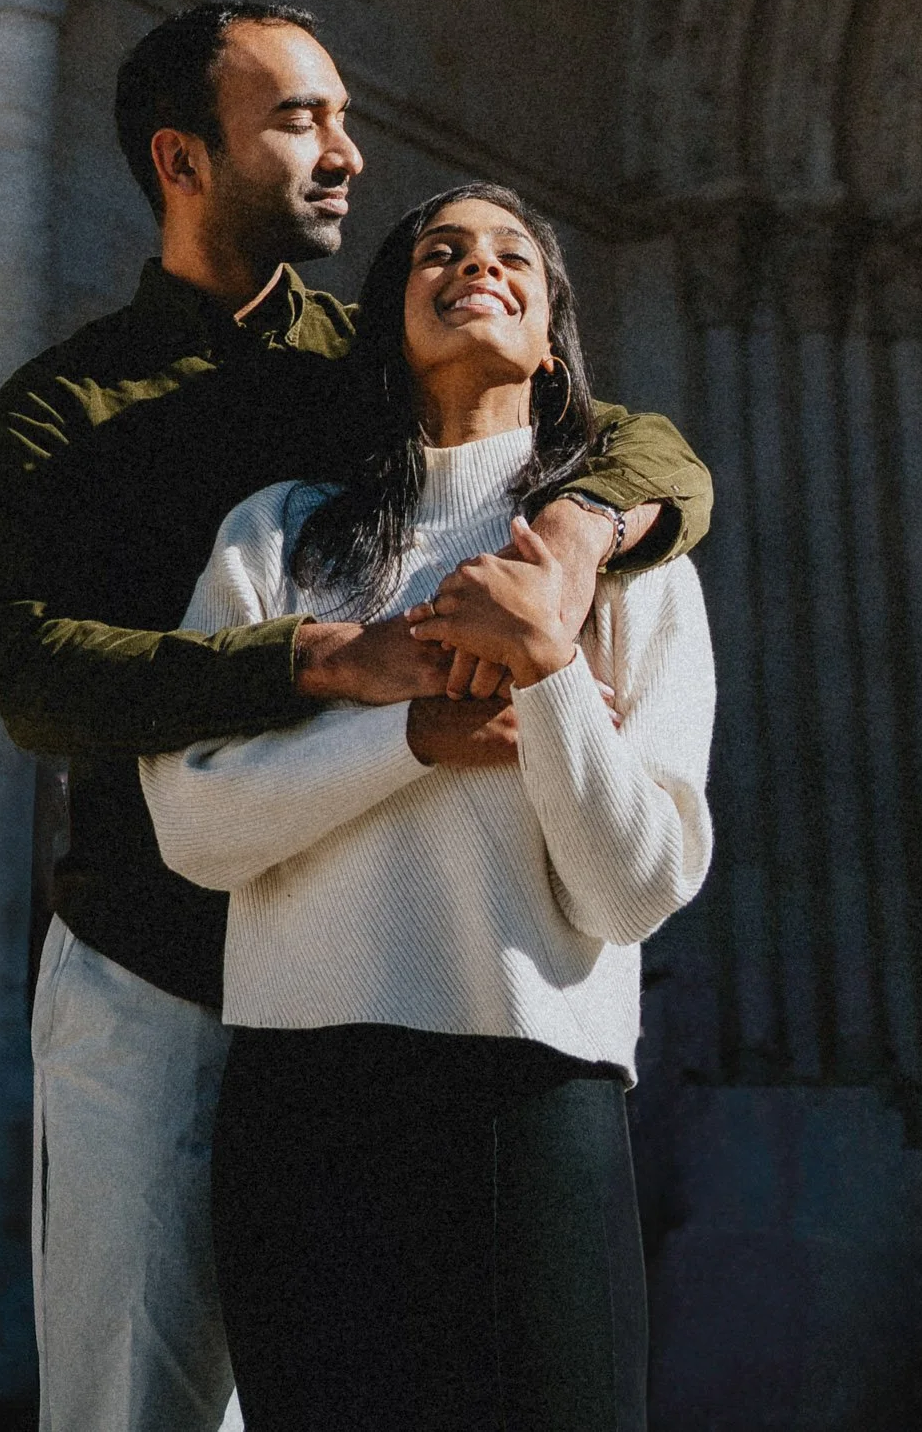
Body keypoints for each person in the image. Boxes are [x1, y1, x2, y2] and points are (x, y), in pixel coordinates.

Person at [0, 2, 713, 1432]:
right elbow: (38, 675)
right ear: (184, 158)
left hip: (363, 982)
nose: (347, 155)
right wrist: (321, 658)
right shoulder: (64, 407)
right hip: (145, 953)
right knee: (136, 1404)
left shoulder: (365, 365)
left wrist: (574, 533)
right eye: (301, 120)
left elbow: (648, 441)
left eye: (341, 117)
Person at [142, 185, 714, 1432]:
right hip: (302, 1098)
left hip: (532, 1095)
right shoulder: (277, 538)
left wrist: (549, 668)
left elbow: (633, 887)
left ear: (554, 331)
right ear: (391, 319)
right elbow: (192, 828)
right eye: (440, 253)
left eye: (516, 255)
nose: (478, 267)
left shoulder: (630, 563)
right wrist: (419, 736)